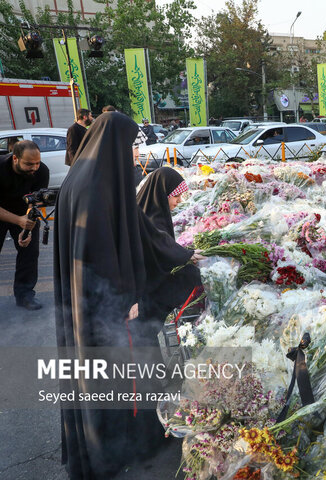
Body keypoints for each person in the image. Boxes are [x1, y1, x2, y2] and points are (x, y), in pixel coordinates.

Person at [54, 112, 198, 479]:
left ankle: (124, 442)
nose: (136, 153)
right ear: (115, 144)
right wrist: (125, 298)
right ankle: (114, 452)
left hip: (87, 302)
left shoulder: (85, 178)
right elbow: (102, 251)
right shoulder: (95, 187)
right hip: (106, 307)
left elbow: (134, 233)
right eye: (132, 145)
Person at [136, 167, 203, 325]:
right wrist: (187, 255)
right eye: (176, 196)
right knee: (193, 276)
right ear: (161, 193)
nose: (179, 201)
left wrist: (185, 254)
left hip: (148, 285)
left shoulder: (150, 208)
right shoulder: (152, 218)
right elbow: (158, 244)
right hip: (148, 290)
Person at [0, 140, 48, 310]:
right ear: (15, 158)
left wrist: (26, 227)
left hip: (23, 212)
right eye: (29, 164)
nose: (34, 167)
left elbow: (36, 202)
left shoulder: (41, 171)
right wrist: (17, 220)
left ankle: (25, 295)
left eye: (37, 162)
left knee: (29, 251)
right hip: (2, 211)